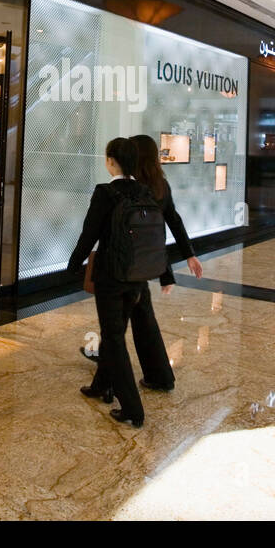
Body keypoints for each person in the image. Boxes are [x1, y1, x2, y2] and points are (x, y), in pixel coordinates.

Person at [80, 134, 203, 393]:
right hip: (145, 265)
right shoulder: (159, 186)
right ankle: (151, 375)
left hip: (121, 265)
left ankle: (118, 377)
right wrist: (187, 255)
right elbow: (171, 223)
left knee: (120, 323)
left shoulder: (128, 189)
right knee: (136, 320)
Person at [68, 138, 173, 428]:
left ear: (111, 161)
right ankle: (101, 385)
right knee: (114, 331)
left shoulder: (106, 192)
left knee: (113, 339)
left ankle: (132, 409)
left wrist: (74, 264)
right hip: (138, 277)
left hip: (111, 277)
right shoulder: (144, 191)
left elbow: (90, 233)